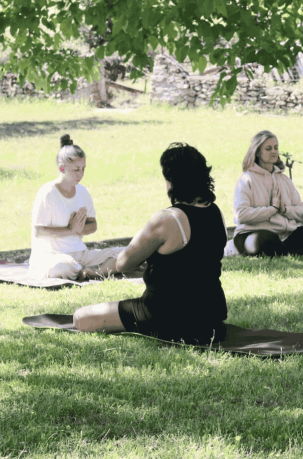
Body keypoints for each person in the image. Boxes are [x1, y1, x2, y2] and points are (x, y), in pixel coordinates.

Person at [73, 143, 228, 344]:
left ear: (171, 181)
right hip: (211, 321)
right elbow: (195, 259)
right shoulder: (217, 213)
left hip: (165, 317)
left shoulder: (167, 219)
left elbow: (123, 264)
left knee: (80, 318)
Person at [232, 130, 303, 257]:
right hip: (252, 234)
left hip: (286, 235)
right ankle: (298, 252)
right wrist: (271, 210)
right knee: (267, 239)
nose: (274, 151)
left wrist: (284, 210)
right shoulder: (246, 179)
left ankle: (287, 253)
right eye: (268, 148)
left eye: (276, 148)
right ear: (257, 152)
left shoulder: (284, 180)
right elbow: (241, 215)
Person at [29, 134, 121, 280]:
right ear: (62, 168)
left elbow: (93, 225)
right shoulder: (47, 193)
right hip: (52, 257)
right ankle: (98, 270)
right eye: (76, 170)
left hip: (80, 255)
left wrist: (80, 229)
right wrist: (70, 230)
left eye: (83, 169)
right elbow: (39, 231)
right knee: (62, 267)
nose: (81, 174)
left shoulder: (83, 192)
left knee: (124, 253)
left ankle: (90, 272)